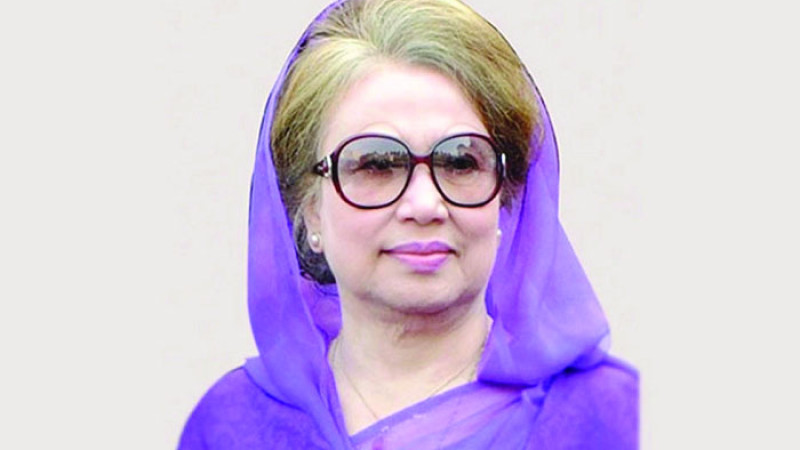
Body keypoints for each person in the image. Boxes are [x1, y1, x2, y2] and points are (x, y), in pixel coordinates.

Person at [179, 0, 638, 448]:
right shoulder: (232, 426)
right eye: (377, 164)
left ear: (505, 196)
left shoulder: (607, 417)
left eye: (461, 161)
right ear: (309, 208)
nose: (424, 205)